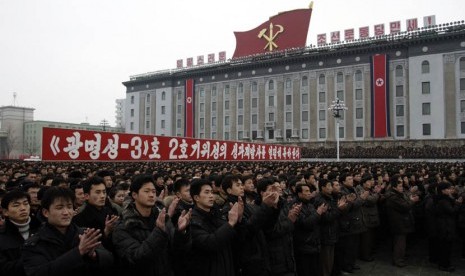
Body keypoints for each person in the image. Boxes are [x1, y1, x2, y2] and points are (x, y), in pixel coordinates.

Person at [22, 187, 114, 276]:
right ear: (46, 212)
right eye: (59, 208)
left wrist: (95, 255)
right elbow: (38, 272)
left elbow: (110, 260)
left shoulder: (85, 234)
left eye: (69, 207)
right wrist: (78, 252)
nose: (66, 212)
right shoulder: (34, 244)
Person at [112, 174, 191, 276]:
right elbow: (136, 258)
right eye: (146, 191)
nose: (151, 195)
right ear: (134, 195)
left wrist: (180, 232)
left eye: (153, 191)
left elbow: (177, 250)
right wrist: (159, 231)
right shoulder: (124, 226)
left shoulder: (162, 218)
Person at [188, 178, 242, 276]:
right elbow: (210, 243)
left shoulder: (217, 214)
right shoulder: (193, 221)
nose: (211, 196)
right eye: (207, 193)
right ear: (196, 197)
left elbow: (234, 239)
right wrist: (230, 224)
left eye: (212, 192)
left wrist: (239, 219)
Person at [0, 189, 41, 276]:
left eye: (26, 204)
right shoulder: (2, 237)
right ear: (5, 212)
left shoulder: (43, 229)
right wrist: (32, 258)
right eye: (16, 205)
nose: (23, 208)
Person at [72, 177, 119, 251]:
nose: (102, 196)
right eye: (98, 192)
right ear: (87, 196)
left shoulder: (111, 212)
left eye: (104, 192)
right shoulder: (79, 219)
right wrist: (106, 232)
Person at [293, 183, 327, 276]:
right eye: (306, 191)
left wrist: (320, 213)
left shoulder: (309, 204)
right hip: (304, 245)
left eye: (309, 191)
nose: (309, 193)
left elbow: (315, 221)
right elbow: (304, 224)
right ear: (299, 194)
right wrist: (318, 213)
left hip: (314, 243)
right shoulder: (295, 206)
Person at [385, 178, 419, 267]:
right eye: (400, 186)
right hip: (398, 222)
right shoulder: (393, 197)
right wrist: (412, 201)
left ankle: (400, 257)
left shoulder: (396, 194)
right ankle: (398, 260)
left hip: (400, 221)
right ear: (394, 187)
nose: (402, 188)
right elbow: (405, 206)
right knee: (400, 242)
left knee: (399, 242)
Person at [434, 182, 461, 272]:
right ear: (443, 190)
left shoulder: (445, 198)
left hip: (444, 225)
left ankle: (443, 263)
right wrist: (458, 204)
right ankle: (444, 265)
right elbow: (452, 211)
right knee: (445, 247)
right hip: (445, 226)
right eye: (448, 189)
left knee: (445, 246)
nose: (450, 190)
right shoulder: (443, 201)